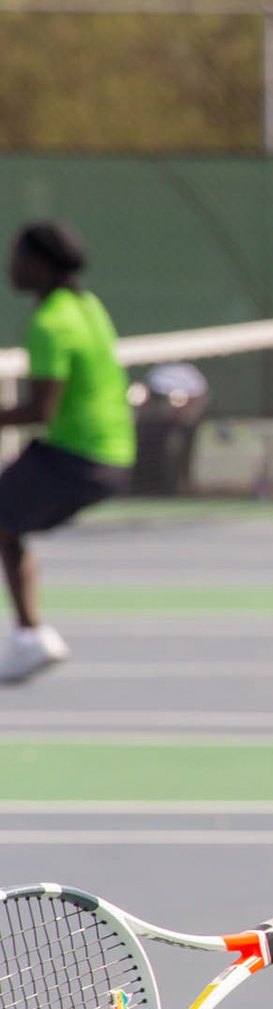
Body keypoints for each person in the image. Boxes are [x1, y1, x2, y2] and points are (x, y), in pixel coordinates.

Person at [0, 221, 134, 682]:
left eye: (18, 257)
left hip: (80, 457)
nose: (10, 267)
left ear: (40, 265)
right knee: (6, 527)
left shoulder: (52, 323)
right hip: (107, 452)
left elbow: (40, 409)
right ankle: (30, 635)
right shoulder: (86, 305)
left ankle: (30, 634)